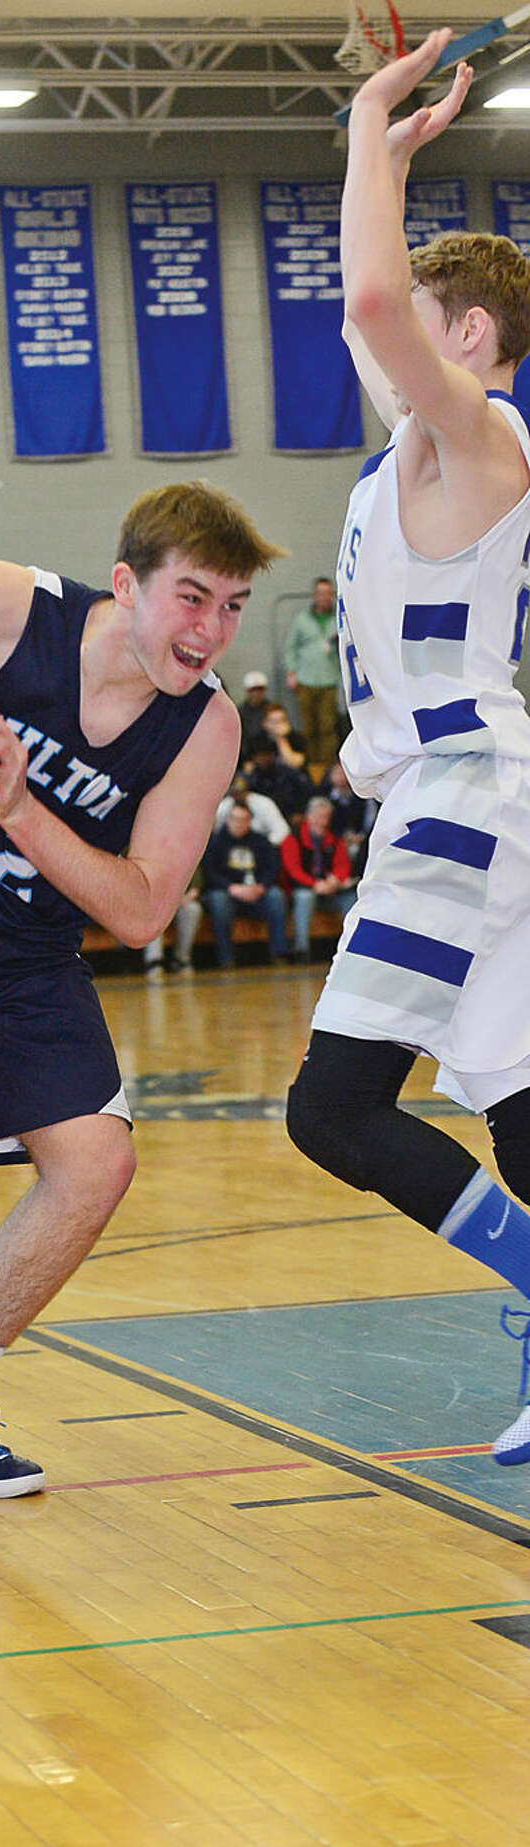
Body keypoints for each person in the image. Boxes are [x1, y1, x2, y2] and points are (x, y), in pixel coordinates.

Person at [0, 481, 284, 1523]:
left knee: (98, 1163)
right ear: (127, 584)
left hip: (29, 946)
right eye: (192, 597)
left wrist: (24, 810)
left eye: (232, 606)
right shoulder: (1, 604)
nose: (211, 630)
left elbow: (144, 908)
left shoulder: (205, 728)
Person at [282, 35, 530, 1467]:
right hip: (469, 798)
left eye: (423, 331)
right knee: (519, 1105)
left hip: (461, 796)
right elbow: (364, 307)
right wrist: (379, 158)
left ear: (471, 336)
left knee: (334, 1107)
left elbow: (376, 301)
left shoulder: (484, 436)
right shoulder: (414, 451)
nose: (383, 345)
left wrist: (370, 113)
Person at [201, 797, 289, 968]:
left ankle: (279, 954)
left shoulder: (260, 841)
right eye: (235, 819)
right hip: (228, 892)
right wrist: (231, 888)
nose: (239, 824)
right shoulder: (216, 842)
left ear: (250, 821)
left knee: (276, 896)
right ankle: (225, 958)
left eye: (244, 820)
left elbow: (272, 868)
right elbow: (209, 872)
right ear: (228, 820)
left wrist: (261, 886)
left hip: (257, 891)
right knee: (218, 900)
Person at [280, 795, 356, 961]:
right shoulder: (292, 838)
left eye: (326, 817)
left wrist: (334, 880)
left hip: (331, 889)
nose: (323, 822)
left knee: (351, 899)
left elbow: (343, 866)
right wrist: (315, 884)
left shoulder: (334, 839)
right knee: (304, 897)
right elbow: (293, 870)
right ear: (309, 817)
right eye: (319, 817)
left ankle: (352, 949)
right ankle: (302, 950)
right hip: (304, 889)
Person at [285, 576, 342, 775]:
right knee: (308, 727)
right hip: (305, 679)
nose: (324, 597)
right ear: (314, 595)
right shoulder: (302, 619)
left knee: (327, 727)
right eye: (320, 593)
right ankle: (311, 768)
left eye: (328, 593)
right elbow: (291, 647)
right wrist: (291, 671)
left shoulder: (339, 618)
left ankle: (327, 768)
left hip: (329, 679)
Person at [238, 669, 272, 763]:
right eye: (252, 690)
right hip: (247, 758)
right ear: (247, 691)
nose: (256, 693)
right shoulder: (240, 712)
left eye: (260, 689)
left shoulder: (272, 710)